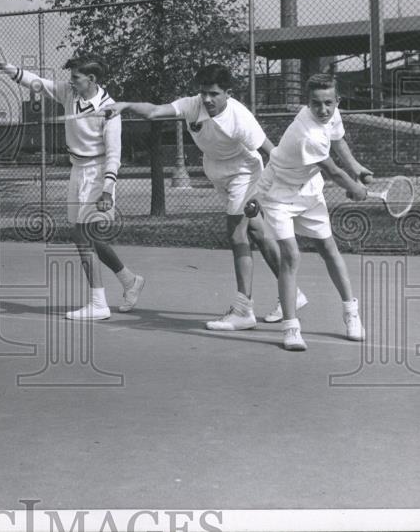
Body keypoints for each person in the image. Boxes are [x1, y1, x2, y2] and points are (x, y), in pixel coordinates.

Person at [102, 63, 302, 331]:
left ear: (228, 93)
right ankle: (292, 293)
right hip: (219, 174)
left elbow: (271, 152)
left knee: (236, 234)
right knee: (258, 233)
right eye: (203, 92)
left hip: (245, 174)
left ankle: (244, 310)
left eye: (214, 94)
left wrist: (289, 181)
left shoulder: (240, 118)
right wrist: (125, 104)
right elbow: (154, 111)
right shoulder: (191, 104)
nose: (207, 99)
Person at [0, 51, 144, 320]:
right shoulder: (68, 93)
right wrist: (3, 65)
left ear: (91, 79)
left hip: (99, 175)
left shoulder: (110, 109)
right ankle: (130, 281)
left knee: (83, 238)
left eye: (76, 78)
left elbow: (114, 155)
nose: (70, 82)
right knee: (92, 237)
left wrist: (107, 189)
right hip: (77, 171)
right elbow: (33, 81)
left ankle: (98, 303)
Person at [244, 73, 371, 351]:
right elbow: (332, 170)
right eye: (316, 104)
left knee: (328, 248)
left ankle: (351, 313)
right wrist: (355, 188)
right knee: (290, 255)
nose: (323, 110)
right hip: (278, 193)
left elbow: (339, 143)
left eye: (328, 103)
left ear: (337, 100)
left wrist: (357, 169)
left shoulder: (331, 115)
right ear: (307, 103)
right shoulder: (307, 133)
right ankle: (291, 328)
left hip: (308, 189)